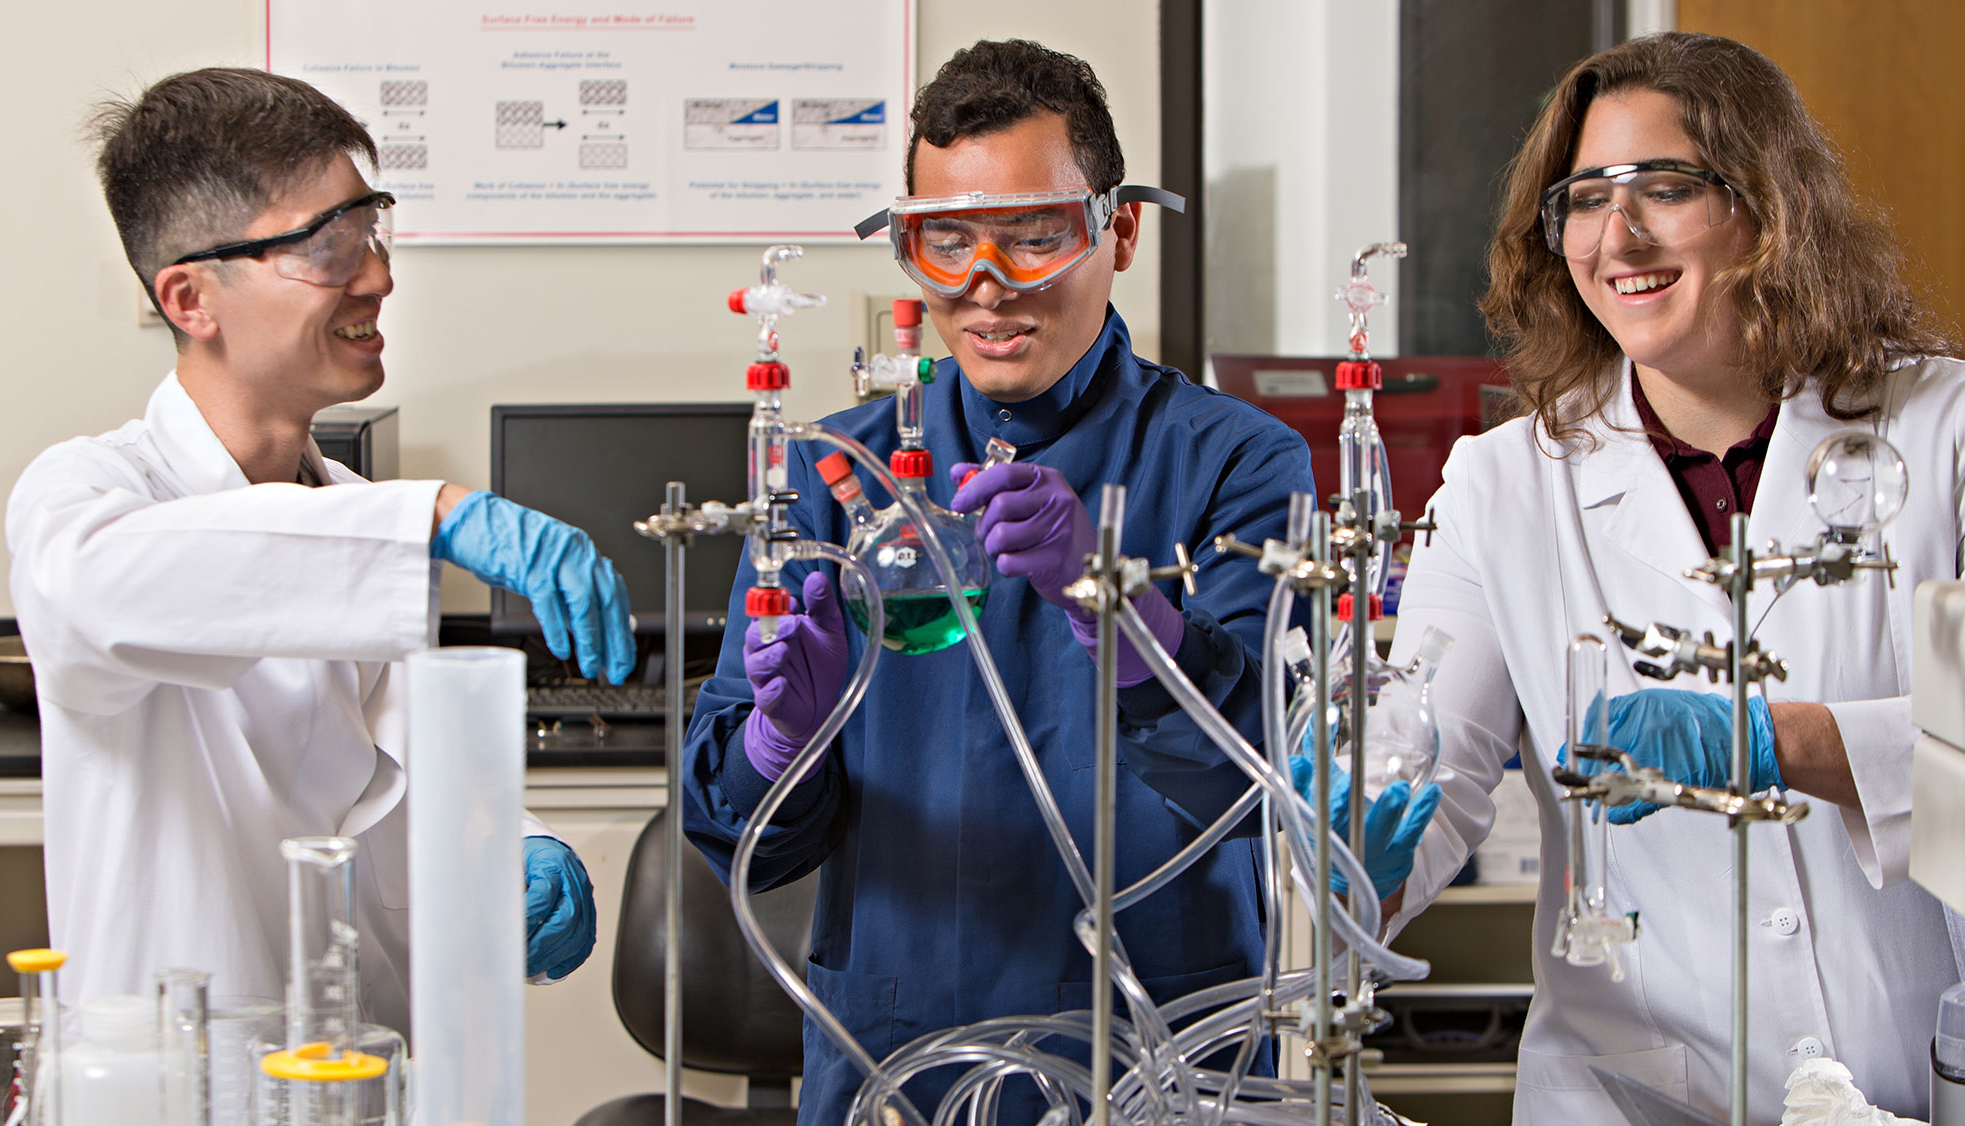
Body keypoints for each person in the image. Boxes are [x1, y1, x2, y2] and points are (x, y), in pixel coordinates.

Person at [683, 38, 1443, 1126]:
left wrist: (1125, 616)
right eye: (946, 242)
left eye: (1035, 236)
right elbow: (741, 841)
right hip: (891, 1051)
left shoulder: (1234, 461)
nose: (986, 286)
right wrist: (777, 743)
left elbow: (1261, 785)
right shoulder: (831, 475)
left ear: (1117, 232)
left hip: (1162, 1049)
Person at [1389, 31, 1964, 1120]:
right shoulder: (1502, 485)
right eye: (1584, 199)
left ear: (1770, 205)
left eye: (1664, 187)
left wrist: (1784, 741)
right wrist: (1345, 867)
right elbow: (1426, 771)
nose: (1619, 235)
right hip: (1632, 1099)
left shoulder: (1944, 431)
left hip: (1912, 1083)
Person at [6, 68, 635, 1037]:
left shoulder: (346, 515)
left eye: (371, 231)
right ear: (190, 298)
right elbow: (97, 590)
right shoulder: (86, 496)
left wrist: (511, 841)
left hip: (371, 1062)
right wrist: (432, 513)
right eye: (328, 246)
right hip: (183, 1075)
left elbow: (389, 767)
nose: (376, 277)